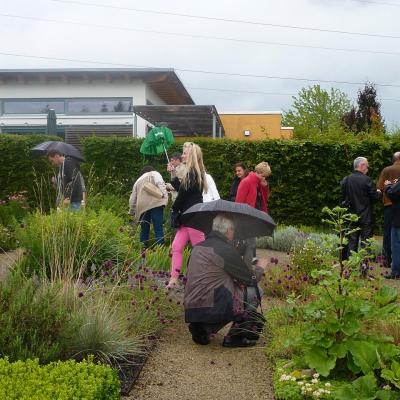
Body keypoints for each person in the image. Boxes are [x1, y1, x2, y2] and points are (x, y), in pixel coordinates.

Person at [184, 214, 267, 347]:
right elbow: (249, 279)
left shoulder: (198, 247)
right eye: (233, 230)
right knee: (254, 292)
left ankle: (205, 328)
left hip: (192, 306)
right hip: (213, 304)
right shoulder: (225, 249)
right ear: (228, 231)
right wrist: (260, 268)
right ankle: (235, 336)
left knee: (224, 288)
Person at [167, 142, 208, 289]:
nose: (182, 155)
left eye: (184, 153)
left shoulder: (193, 173)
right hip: (187, 217)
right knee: (177, 247)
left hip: (193, 217)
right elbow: (181, 189)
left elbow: (181, 195)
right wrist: (173, 174)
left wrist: (174, 208)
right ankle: (173, 279)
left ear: (192, 155)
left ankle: (204, 280)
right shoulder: (193, 173)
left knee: (200, 250)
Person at [340, 157, 381, 258]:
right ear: (362, 165)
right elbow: (374, 197)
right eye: (367, 166)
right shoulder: (367, 180)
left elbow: (343, 198)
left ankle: (350, 269)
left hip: (351, 217)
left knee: (351, 244)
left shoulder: (346, 179)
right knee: (366, 245)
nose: (367, 169)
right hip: (366, 217)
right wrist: (379, 193)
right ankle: (363, 270)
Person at [235, 161, 272, 266]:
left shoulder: (257, 183)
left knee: (250, 244)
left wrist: (264, 187)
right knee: (248, 244)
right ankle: (244, 268)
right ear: (259, 173)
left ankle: (245, 267)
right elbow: (238, 202)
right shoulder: (246, 182)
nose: (265, 178)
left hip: (254, 217)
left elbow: (263, 200)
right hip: (246, 218)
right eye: (264, 176)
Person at [128, 165, 168, 249]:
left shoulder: (138, 180)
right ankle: (160, 252)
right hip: (156, 203)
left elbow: (132, 198)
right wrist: (165, 199)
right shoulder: (155, 173)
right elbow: (161, 184)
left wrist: (131, 211)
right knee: (158, 228)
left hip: (142, 207)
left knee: (144, 230)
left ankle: (143, 252)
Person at [377, 152, 400, 268]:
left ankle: (386, 260)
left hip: (389, 205)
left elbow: (380, 187)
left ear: (394, 159)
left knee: (388, 233)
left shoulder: (386, 170)